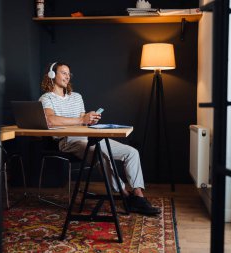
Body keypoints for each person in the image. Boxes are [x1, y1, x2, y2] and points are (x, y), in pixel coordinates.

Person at [39, 62, 160, 215]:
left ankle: (138, 197)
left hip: (90, 136)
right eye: (63, 72)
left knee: (132, 153)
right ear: (52, 74)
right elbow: (50, 120)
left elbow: (83, 120)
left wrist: (89, 120)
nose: (67, 76)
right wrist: (82, 120)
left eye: (69, 73)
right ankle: (125, 196)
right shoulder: (47, 98)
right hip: (69, 141)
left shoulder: (76, 97)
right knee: (101, 157)